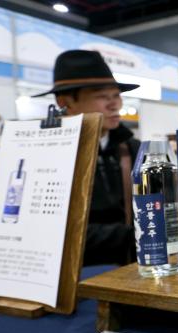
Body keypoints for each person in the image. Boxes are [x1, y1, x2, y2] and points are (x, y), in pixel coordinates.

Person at [34, 50, 140, 266]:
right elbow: (46, 228)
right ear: (65, 102)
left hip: (130, 270)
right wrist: (132, 234)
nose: (115, 105)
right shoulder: (43, 153)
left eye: (116, 95)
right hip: (71, 277)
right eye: (102, 96)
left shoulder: (132, 148)